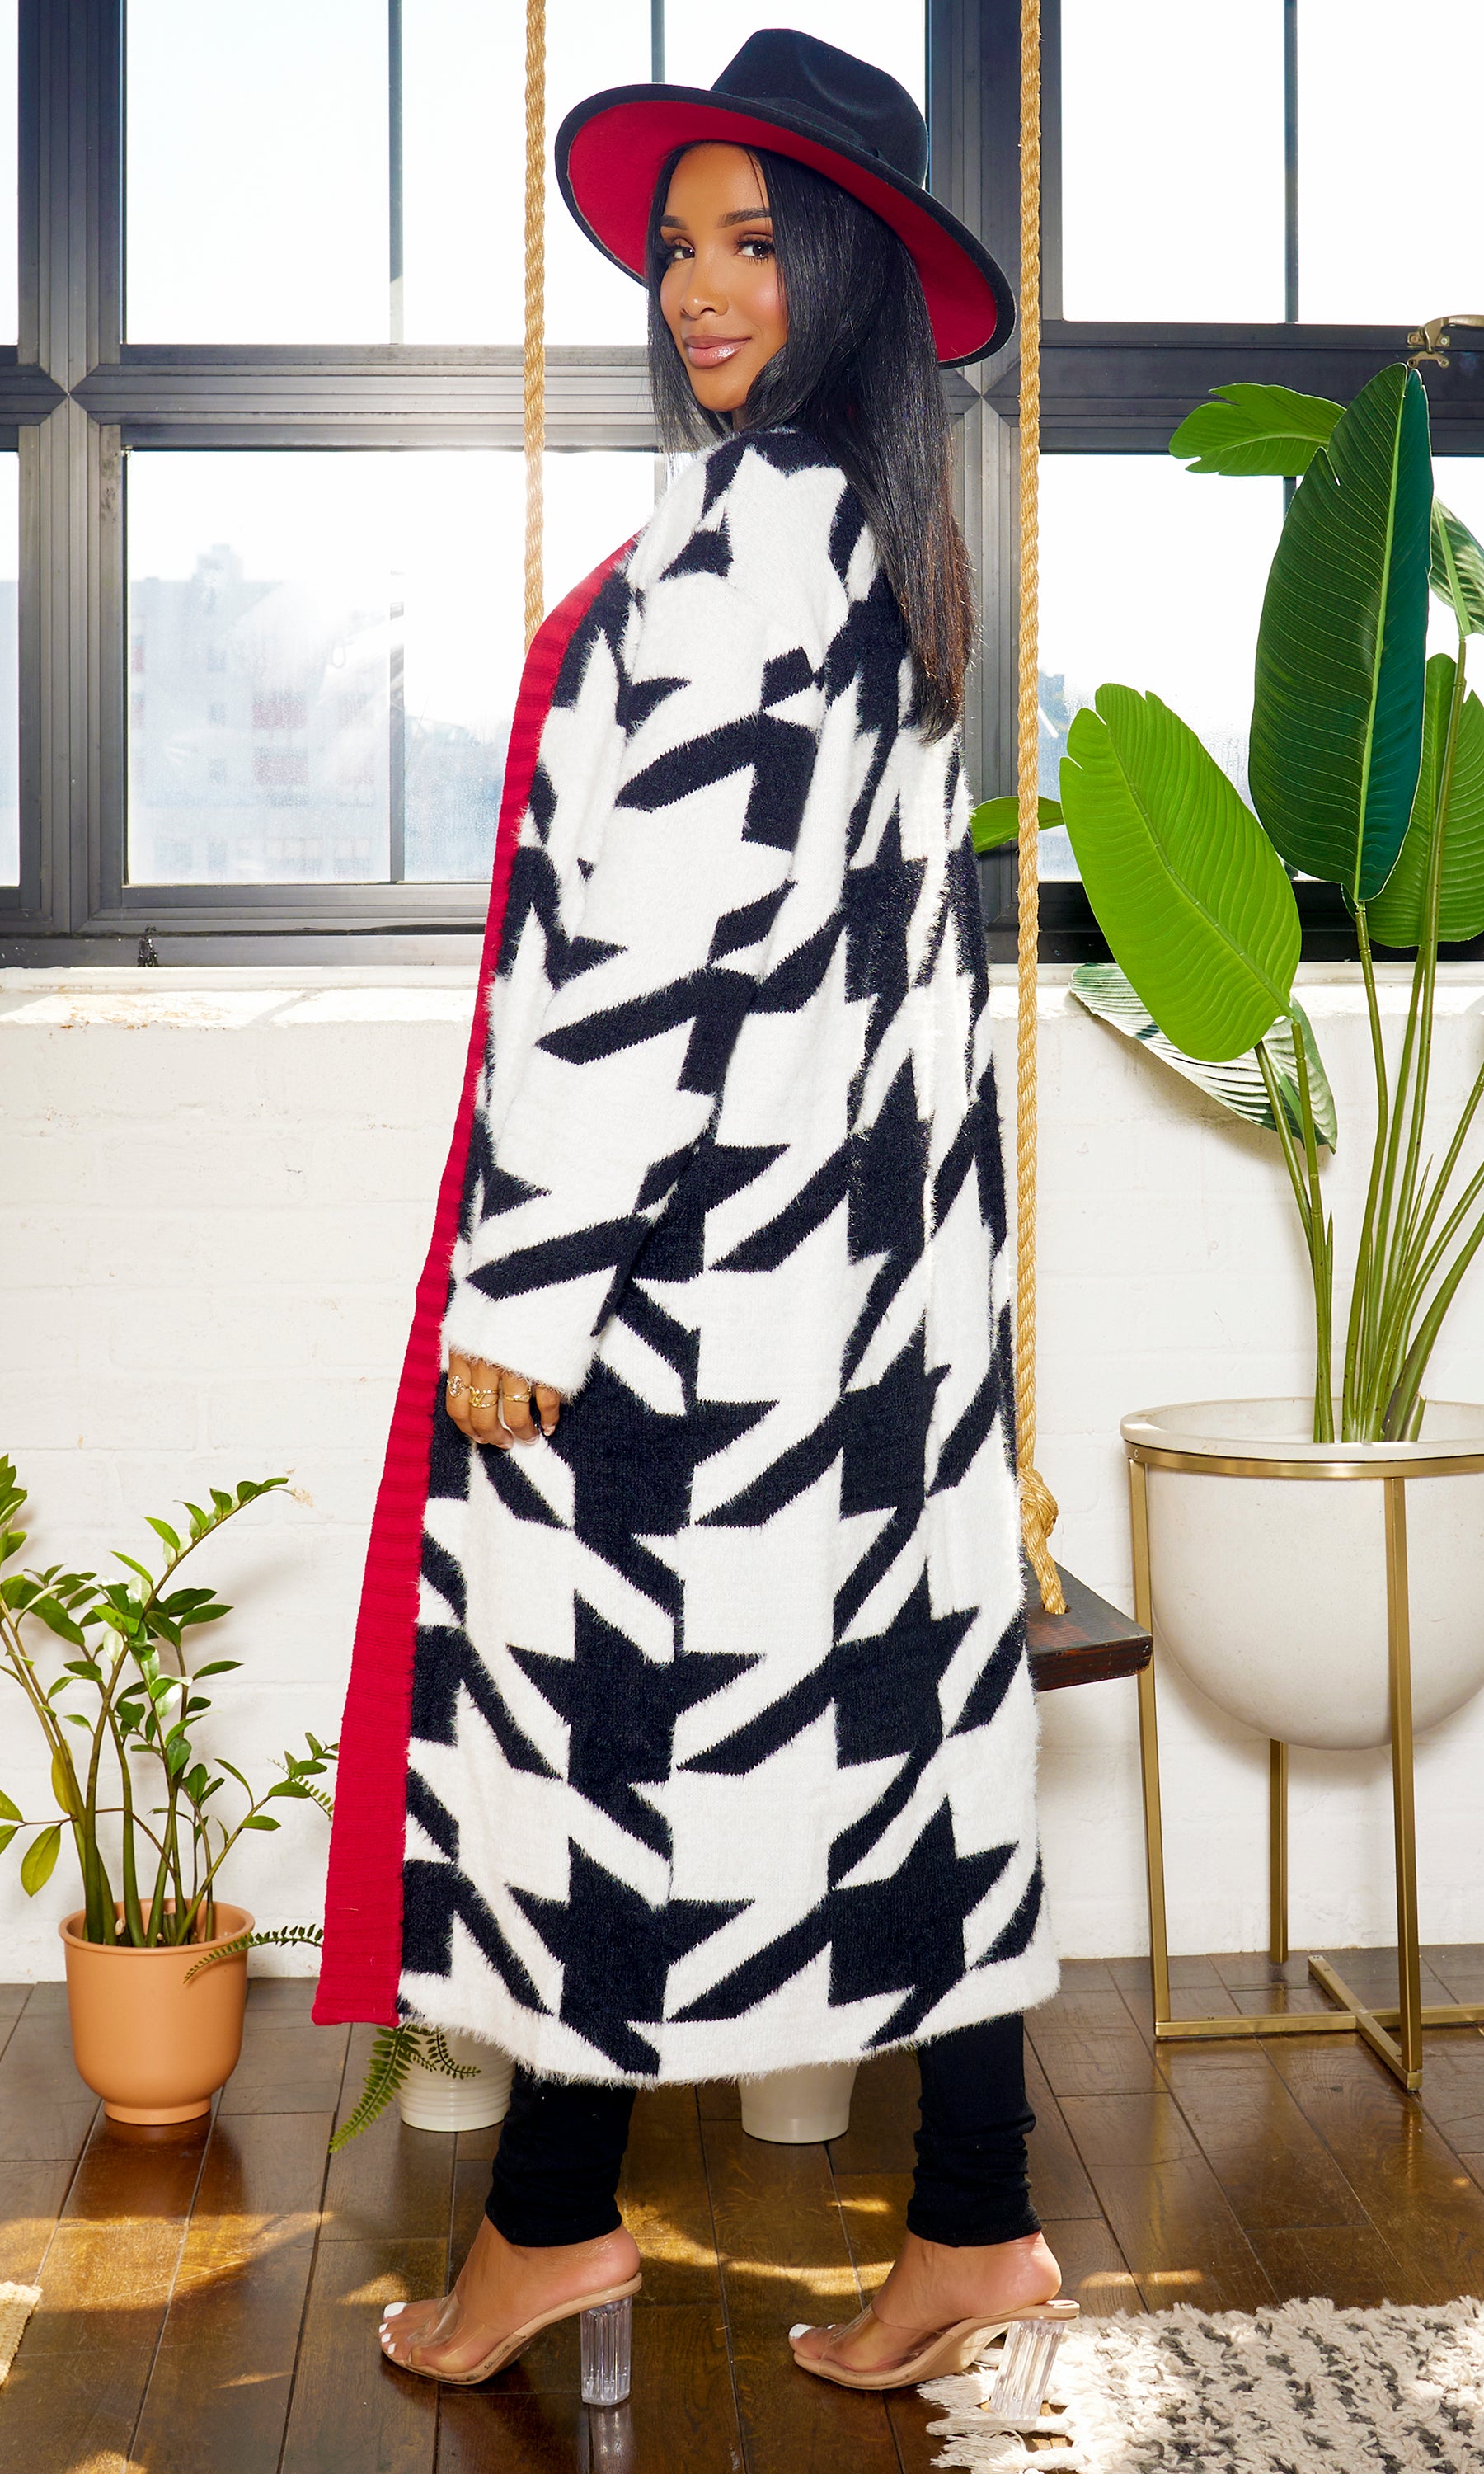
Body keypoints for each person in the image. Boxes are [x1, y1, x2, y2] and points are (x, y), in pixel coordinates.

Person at [314, 26, 1071, 2398]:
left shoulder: (749, 552)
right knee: (904, 1733)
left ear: (850, 273)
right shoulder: (885, 543)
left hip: (686, 1290)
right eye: (678, 250)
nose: (702, 291)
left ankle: (551, 2233)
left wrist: (528, 1286)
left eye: (756, 244)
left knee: (603, 1746)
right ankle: (970, 2225)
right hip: (861, 1290)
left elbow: (639, 969)